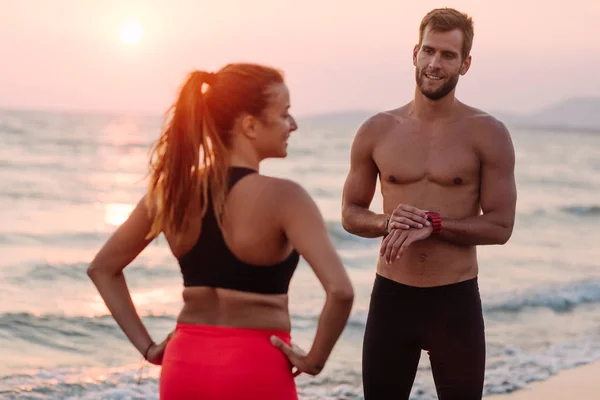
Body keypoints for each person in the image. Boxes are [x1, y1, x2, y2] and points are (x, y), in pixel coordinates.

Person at [87, 63, 354, 399]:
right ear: (250, 126)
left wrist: (149, 348)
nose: (294, 125)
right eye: (285, 114)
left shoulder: (171, 193)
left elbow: (102, 269)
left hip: (184, 365)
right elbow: (340, 291)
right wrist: (314, 360)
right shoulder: (286, 197)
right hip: (255, 366)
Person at [341, 8, 517, 400]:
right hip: (391, 297)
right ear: (415, 53)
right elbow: (350, 213)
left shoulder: (487, 133)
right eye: (429, 51)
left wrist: (435, 224)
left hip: (454, 301)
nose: (435, 64)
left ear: (465, 64)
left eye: (448, 55)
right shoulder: (377, 130)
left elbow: (501, 226)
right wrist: (387, 222)